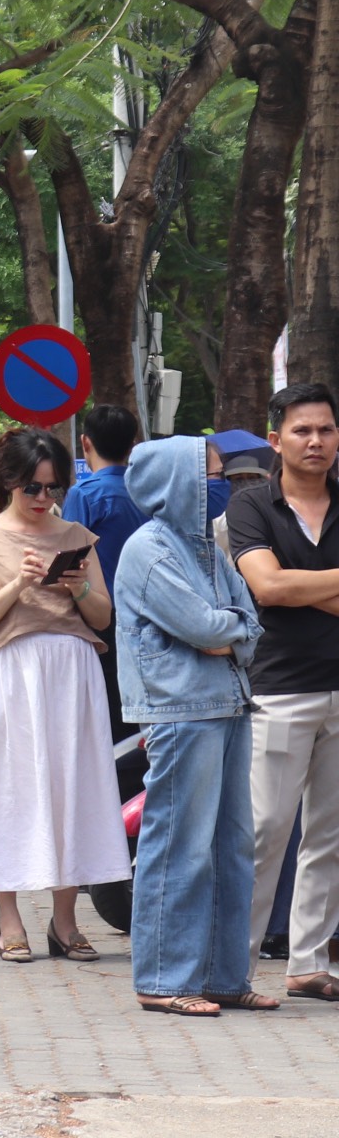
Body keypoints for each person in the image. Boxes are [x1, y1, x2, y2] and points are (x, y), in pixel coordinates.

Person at [0, 427, 124, 963]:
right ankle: (9, 919)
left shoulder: (76, 536)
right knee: (8, 790)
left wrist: (80, 588)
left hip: (71, 672)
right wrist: (17, 585)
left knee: (70, 789)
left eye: (53, 487)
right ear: (6, 483)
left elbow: (103, 617)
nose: (44, 498)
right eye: (33, 488)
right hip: (7, 673)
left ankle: (66, 921)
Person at [117, 436, 273, 1017]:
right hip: (181, 711)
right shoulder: (148, 549)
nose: (218, 484)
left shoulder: (207, 545)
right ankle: (163, 978)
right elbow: (206, 626)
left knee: (231, 846)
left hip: (229, 703)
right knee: (180, 845)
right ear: (175, 481)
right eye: (206, 474)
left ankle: (223, 976)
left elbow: (246, 623)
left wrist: (225, 632)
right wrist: (225, 631)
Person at [227, 381, 339, 999]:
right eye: (302, 430)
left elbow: (287, 587)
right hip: (279, 689)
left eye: (325, 429)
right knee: (267, 830)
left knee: (330, 834)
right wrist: (300, 586)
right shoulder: (252, 508)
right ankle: (234, 967)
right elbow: (266, 588)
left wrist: (305, 587)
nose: (315, 440)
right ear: (277, 440)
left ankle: (308, 964)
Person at [61, 404, 145, 588]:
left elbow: (68, 564)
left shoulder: (83, 494)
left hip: (101, 608)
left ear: (85, 442)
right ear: (132, 446)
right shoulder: (149, 491)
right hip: (147, 606)